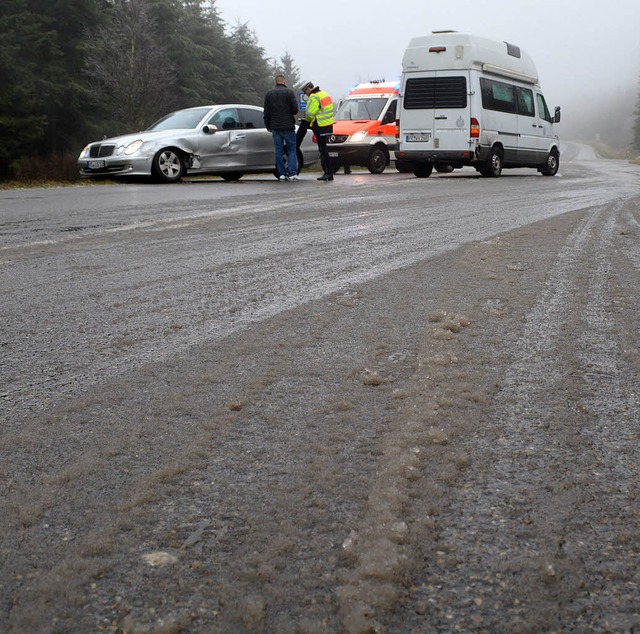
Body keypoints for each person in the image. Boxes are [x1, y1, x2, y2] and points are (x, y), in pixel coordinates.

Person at [263, 74, 299, 181]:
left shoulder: (269, 94)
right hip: (288, 126)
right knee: (291, 150)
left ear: (275, 82)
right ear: (284, 82)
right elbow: (295, 110)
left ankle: (281, 174)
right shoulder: (289, 92)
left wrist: (268, 125)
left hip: (275, 127)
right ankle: (292, 173)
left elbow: (266, 112)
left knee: (278, 150)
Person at [300, 81, 335, 181]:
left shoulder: (314, 97)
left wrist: (306, 121)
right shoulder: (324, 94)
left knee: (323, 150)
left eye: (305, 92)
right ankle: (328, 172)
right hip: (328, 125)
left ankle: (328, 173)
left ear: (308, 89)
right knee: (324, 150)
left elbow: (311, 113)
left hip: (320, 126)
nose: (305, 94)